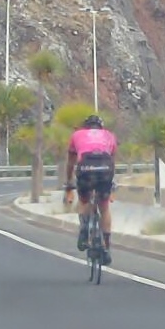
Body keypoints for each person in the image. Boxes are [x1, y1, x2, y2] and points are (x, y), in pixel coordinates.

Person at [64, 114, 118, 266]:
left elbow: (70, 163)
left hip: (85, 168)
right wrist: (110, 181)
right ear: (101, 127)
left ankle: (84, 228)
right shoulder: (109, 135)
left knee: (84, 199)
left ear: (85, 127)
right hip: (106, 168)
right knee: (104, 206)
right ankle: (106, 246)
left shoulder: (77, 135)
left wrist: (69, 182)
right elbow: (113, 160)